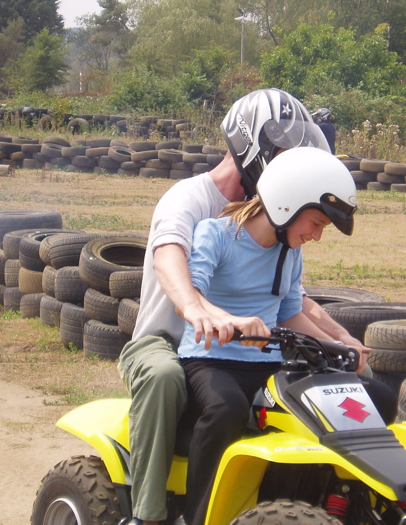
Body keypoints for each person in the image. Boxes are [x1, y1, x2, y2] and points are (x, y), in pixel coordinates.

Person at [117, 88, 370, 525]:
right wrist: (198, 309)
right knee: (163, 377)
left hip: (243, 343)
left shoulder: (275, 217)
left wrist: (339, 339)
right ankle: (149, 514)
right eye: (287, 156)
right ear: (254, 147)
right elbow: (168, 256)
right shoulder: (190, 199)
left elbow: (290, 298)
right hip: (169, 339)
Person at [179, 147, 363, 525]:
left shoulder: (289, 252)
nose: (316, 236)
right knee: (225, 409)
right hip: (210, 359)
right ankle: (196, 516)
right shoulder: (217, 234)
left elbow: (290, 312)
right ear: (286, 206)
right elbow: (191, 295)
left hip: (269, 365)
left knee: (321, 414)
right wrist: (230, 320)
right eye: (315, 224)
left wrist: (339, 348)